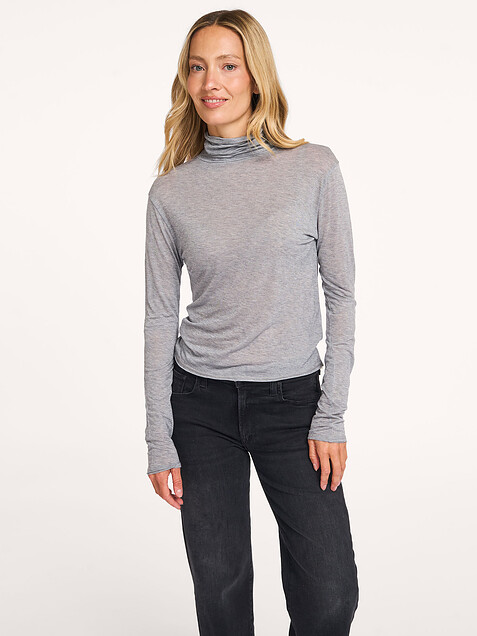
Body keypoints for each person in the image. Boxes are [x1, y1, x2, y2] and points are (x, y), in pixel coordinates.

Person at [144, 9, 359, 636]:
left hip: (293, 405)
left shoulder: (314, 169)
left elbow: (342, 294)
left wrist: (331, 413)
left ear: (256, 76)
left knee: (330, 594)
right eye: (197, 67)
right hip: (200, 405)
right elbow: (159, 317)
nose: (211, 81)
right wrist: (158, 435)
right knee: (220, 589)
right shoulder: (171, 193)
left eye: (228, 65)